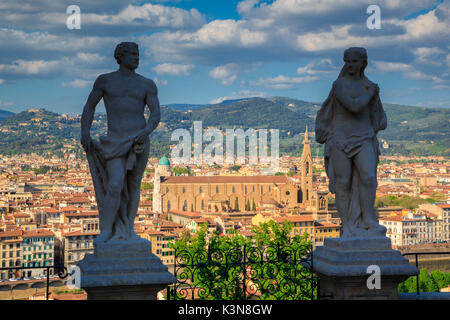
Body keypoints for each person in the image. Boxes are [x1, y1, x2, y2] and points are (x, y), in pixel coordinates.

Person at [80, 42, 161, 243]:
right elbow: (89, 106)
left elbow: (156, 113)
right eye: (132, 54)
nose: (137, 58)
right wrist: (84, 131)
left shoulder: (147, 84)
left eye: (138, 54)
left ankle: (129, 230)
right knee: (115, 185)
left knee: (134, 185)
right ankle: (107, 231)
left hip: (139, 141)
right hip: (115, 141)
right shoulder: (105, 81)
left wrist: (146, 131)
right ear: (120, 57)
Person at [315, 47, 387, 238]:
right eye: (347, 61)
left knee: (369, 178)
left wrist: (373, 97)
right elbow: (354, 106)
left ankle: (368, 220)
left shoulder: (370, 86)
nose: (350, 65)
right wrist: (371, 93)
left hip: (364, 138)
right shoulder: (339, 85)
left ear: (363, 62)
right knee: (343, 183)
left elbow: (380, 118)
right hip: (340, 139)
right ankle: (347, 226)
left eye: (354, 61)